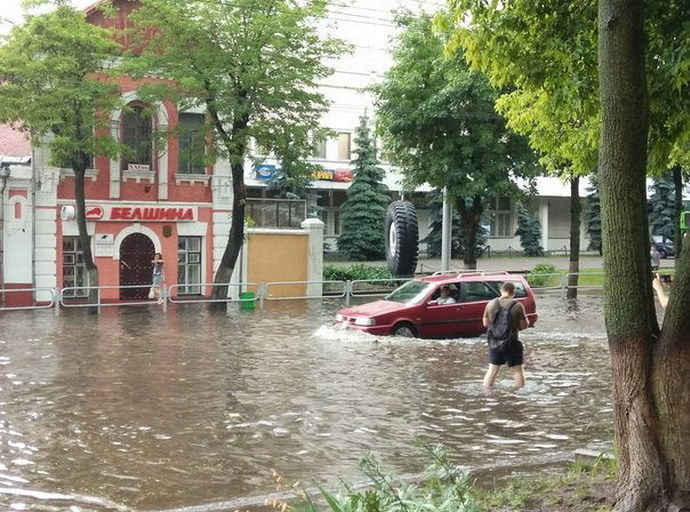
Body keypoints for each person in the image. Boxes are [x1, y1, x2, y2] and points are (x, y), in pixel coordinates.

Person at [482, 282, 529, 390]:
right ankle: (519, 394)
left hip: (494, 342)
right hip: (511, 342)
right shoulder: (517, 305)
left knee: (492, 370)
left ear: (501, 291)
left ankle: (486, 392)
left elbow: (485, 323)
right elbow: (523, 325)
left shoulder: (490, 304)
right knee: (517, 370)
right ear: (513, 292)